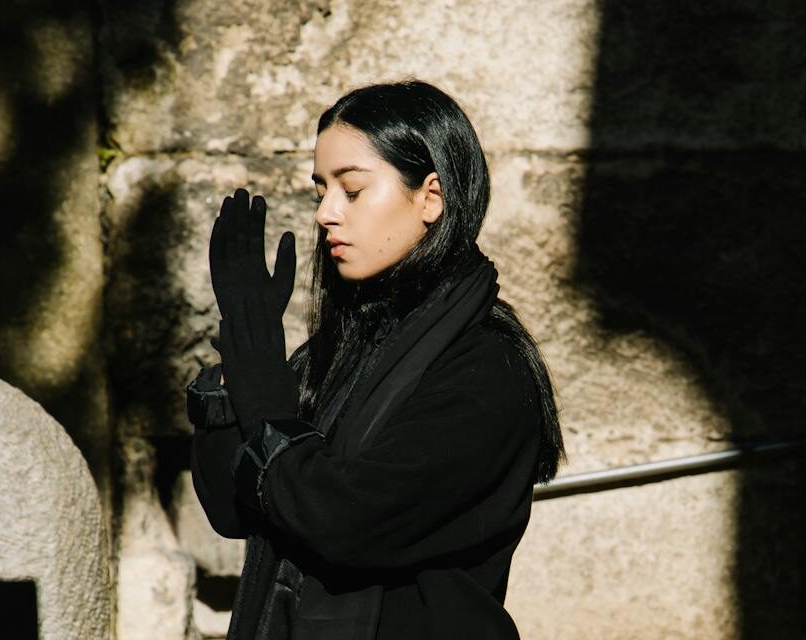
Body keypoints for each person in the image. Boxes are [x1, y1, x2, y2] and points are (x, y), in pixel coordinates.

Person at [186, 80, 564, 639]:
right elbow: (231, 510)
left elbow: (346, 521)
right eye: (321, 192)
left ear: (430, 197)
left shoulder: (488, 370)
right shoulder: (339, 353)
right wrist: (237, 367)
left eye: (353, 190)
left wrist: (264, 402)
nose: (326, 214)